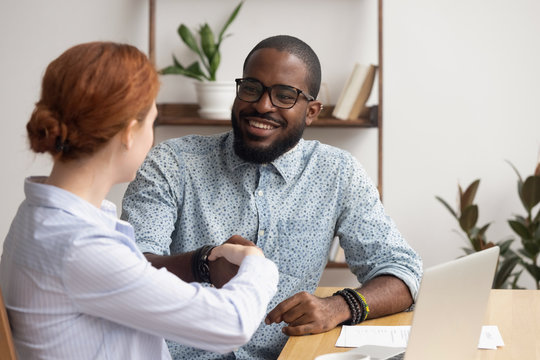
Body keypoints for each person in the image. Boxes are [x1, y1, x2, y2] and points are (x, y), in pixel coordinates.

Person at [122, 35, 422, 360]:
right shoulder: (172, 163)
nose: (263, 105)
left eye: (285, 96)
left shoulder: (337, 173)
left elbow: (403, 270)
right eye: (252, 88)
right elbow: (127, 267)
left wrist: (338, 306)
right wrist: (203, 263)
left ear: (312, 112)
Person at [0, 41, 279, 360]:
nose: (153, 138)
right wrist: (259, 263)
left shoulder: (41, 217)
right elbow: (232, 324)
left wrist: (207, 259)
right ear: (130, 132)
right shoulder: (80, 246)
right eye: (152, 123)